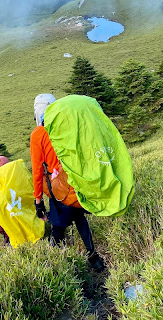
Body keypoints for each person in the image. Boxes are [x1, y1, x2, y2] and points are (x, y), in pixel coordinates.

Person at [30, 94, 105, 272]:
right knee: (79, 217)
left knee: (57, 226)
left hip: (59, 187)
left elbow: (37, 170)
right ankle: (93, 257)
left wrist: (38, 201)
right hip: (76, 180)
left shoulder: (38, 134)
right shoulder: (68, 125)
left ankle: (55, 266)